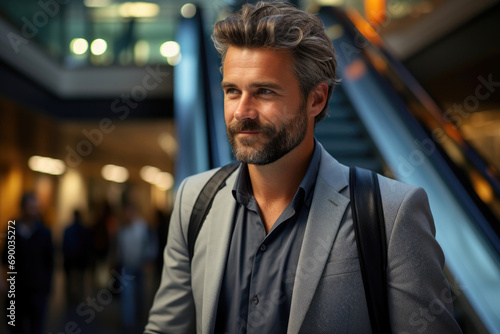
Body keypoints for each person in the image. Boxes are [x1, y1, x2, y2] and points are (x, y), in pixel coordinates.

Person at [145, 1, 462, 333]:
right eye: (232, 91)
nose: (242, 111)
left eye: (264, 91)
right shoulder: (194, 200)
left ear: (317, 99)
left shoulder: (391, 213)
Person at [1, 193, 54, 334]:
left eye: (36, 207)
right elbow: (5, 258)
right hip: (17, 288)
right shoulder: (13, 230)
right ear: (23, 208)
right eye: (31, 207)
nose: (34, 211)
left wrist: (47, 287)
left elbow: (50, 262)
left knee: (36, 326)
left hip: (37, 289)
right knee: (15, 325)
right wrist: (3, 281)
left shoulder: (44, 232)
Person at [62, 209, 92, 303]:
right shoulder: (85, 230)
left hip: (70, 259)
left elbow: (64, 245)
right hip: (80, 259)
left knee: (70, 280)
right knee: (80, 280)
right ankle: (79, 298)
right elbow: (88, 245)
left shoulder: (68, 230)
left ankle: (70, 298)